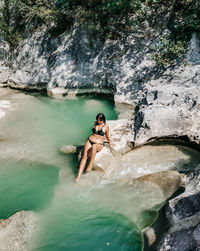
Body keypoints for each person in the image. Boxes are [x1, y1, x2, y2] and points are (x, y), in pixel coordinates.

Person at [75, 113, 112, 182]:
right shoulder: (95, 123)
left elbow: (106, 135)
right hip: (90, 140)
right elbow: (93, 133)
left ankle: (90, 165)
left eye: (100, 120)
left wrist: (110, 142)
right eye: (97, 119)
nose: (98, 121)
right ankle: (78, 176)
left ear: (103, 119)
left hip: (98, 143)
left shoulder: (106, 126)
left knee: (94, 146)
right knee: (84, 156)